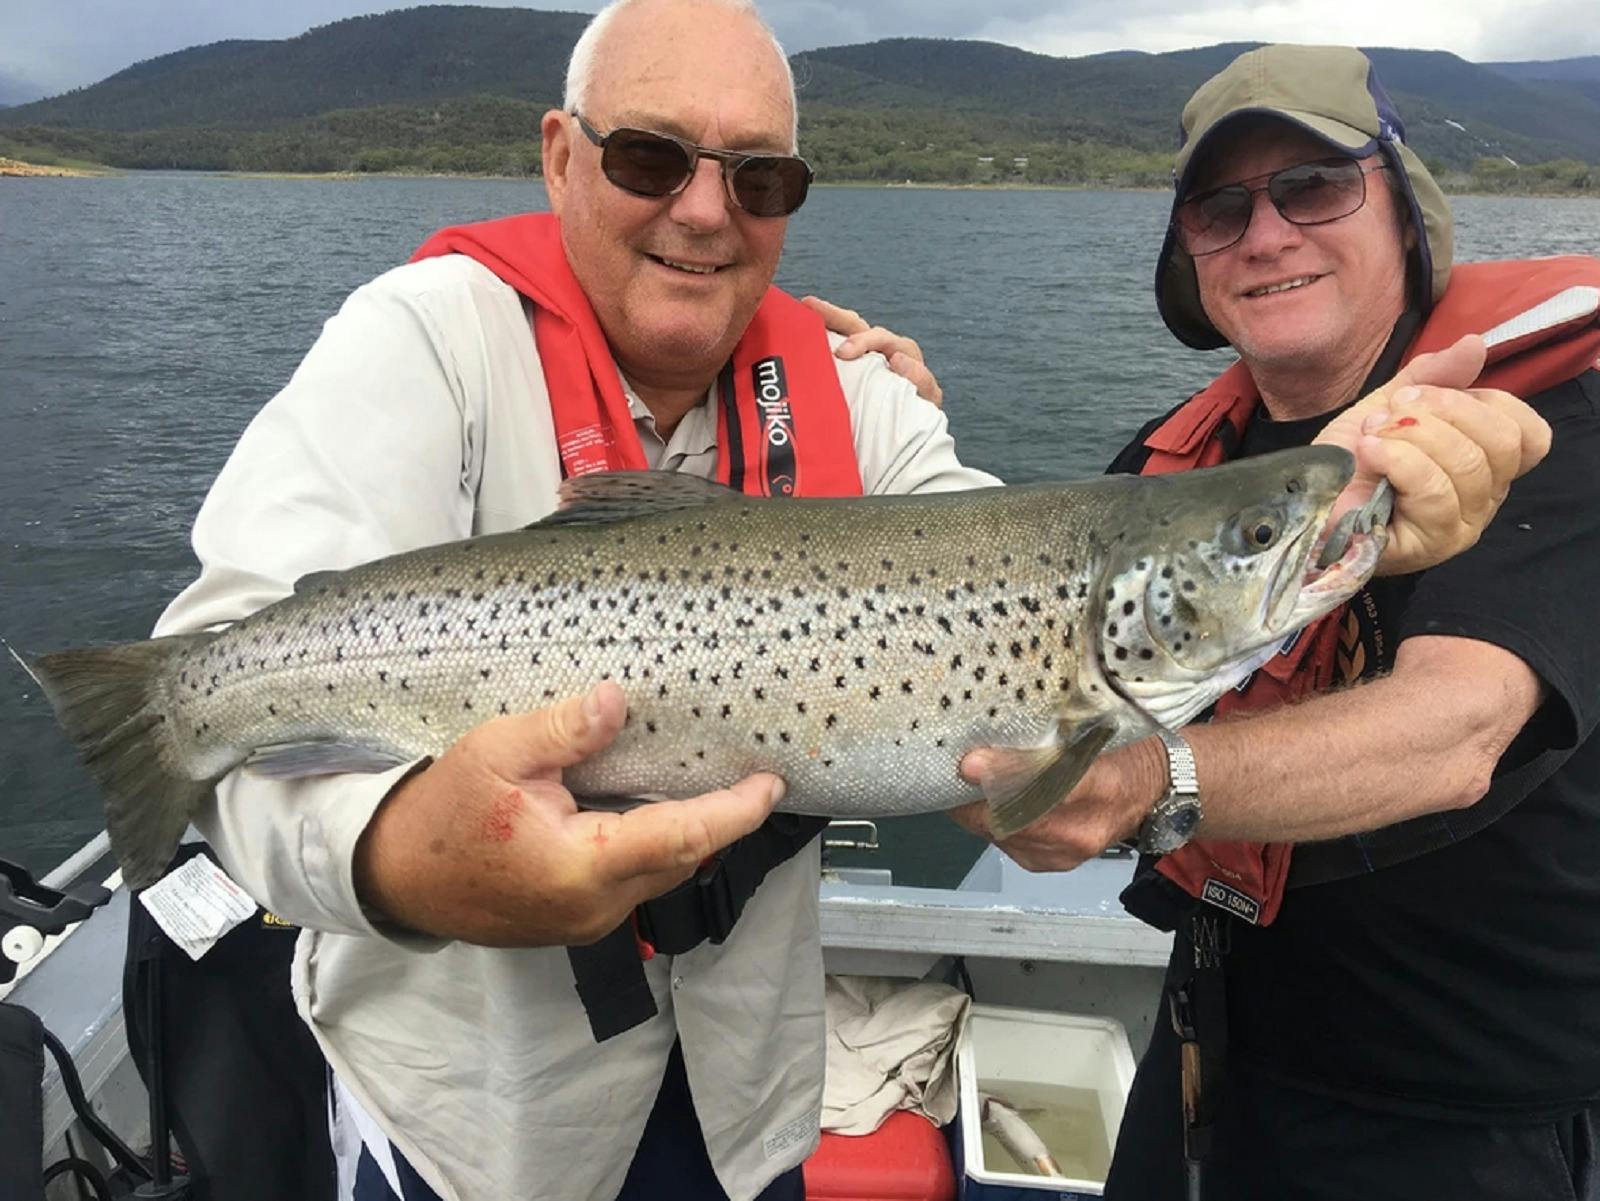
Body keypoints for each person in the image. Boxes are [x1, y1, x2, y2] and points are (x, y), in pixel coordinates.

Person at [148, 6, 1545, 1198]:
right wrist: (396, 855)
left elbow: (981, 536)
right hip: (479, 1130)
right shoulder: (420, 343)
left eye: (760, 180)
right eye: (652, 158)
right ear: (561, 158)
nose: (707, 207)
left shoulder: (859, 396)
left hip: (752, 1102)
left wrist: (1364, 510)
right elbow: (210, 674)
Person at [950, 44, 1600, 1200]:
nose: (1266, 233)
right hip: (1209, 1047)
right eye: (1220, 206)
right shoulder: (1165, 472)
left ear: (1404, 212)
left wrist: (1149, 782)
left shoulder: (1541, 427)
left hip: (1467, 1118)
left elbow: (1455, 733)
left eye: (1312, 186)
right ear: (1189, 253)